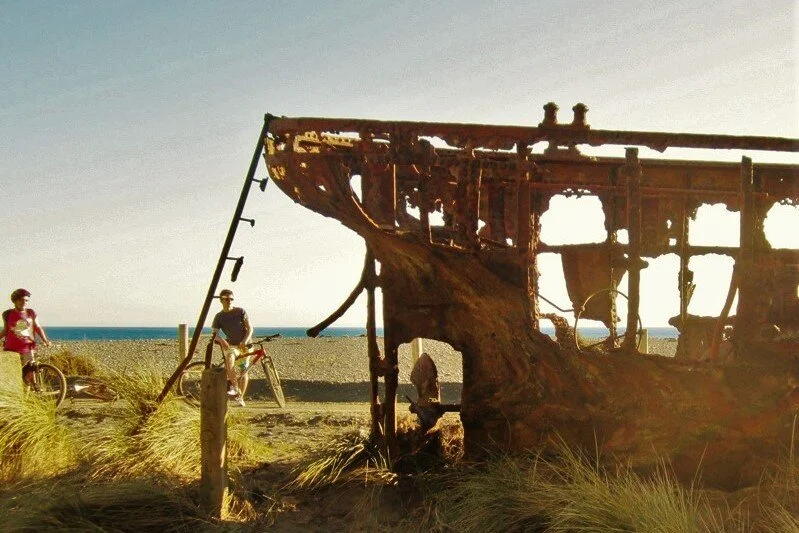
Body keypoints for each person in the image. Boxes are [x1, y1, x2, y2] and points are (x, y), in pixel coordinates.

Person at [1, 288, 52, 387]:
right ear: (15, 300)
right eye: (21, 300)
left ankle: (29, 398)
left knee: (30, 374)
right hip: (11, 349)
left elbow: (37, 327)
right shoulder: (7, 314)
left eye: (26, 300)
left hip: (28, 348)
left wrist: (45, 340)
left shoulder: (31, 313)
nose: (24, 302)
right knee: (14, 375)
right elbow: (5, 331)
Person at [210, 288, 253, 406]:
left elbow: (250, 329)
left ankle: (240, 398)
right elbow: (215, 334)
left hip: (245, 345)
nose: (229, 301)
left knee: (243, 370)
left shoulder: (240, 311)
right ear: (221, 300)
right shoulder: (219, 316)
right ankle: (235, 387)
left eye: (231, 299)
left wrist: (244, 341)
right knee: (229, 360)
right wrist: (221, 339)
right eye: (226, 299)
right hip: (233, 346)